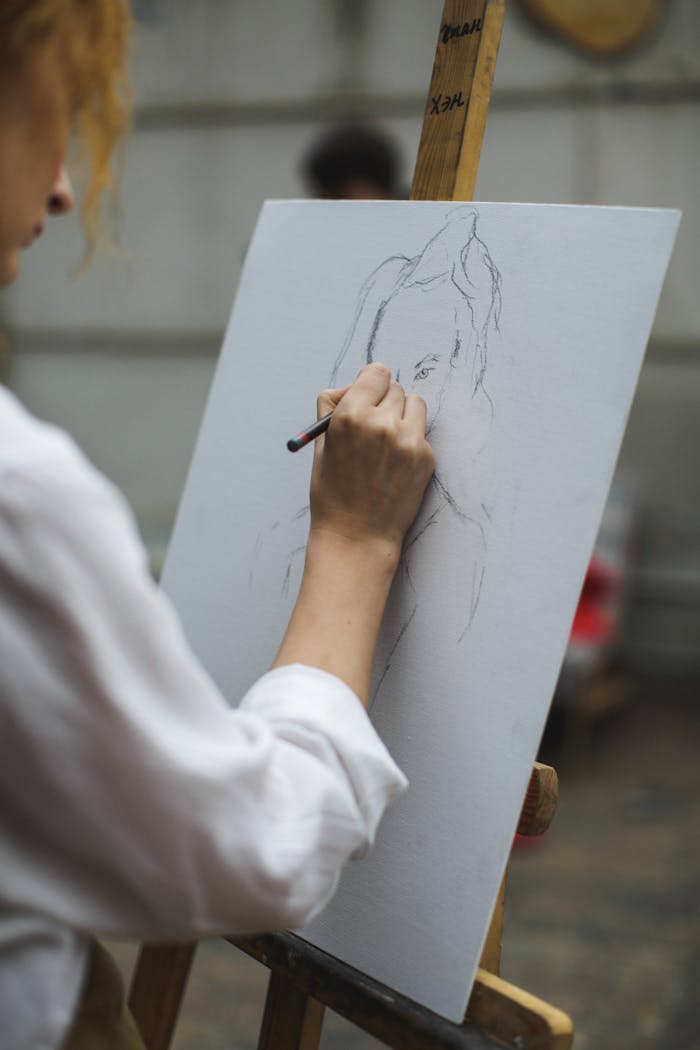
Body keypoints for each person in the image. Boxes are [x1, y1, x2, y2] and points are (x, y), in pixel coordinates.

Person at [0, 4, 434, 1049]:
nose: (65, 187)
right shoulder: (19, 491)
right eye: (54, 114)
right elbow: (258, 852)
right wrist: (357, 544)